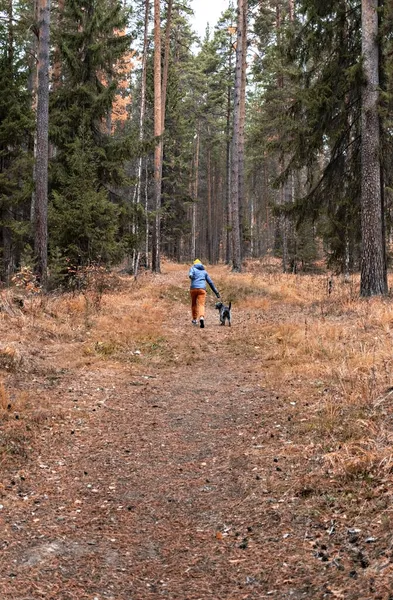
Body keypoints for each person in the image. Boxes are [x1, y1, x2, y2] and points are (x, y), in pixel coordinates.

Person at [188, 259, 220, 328]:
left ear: (194, 264)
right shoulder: (204, 271)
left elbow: (190, 274)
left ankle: (194, 319)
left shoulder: (192, 268)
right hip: (202, 290)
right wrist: (216, 292)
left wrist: (191, 276)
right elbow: (210, 283)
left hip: (193, 289)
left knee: (194, 304)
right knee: (201, 304)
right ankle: (201, 317)